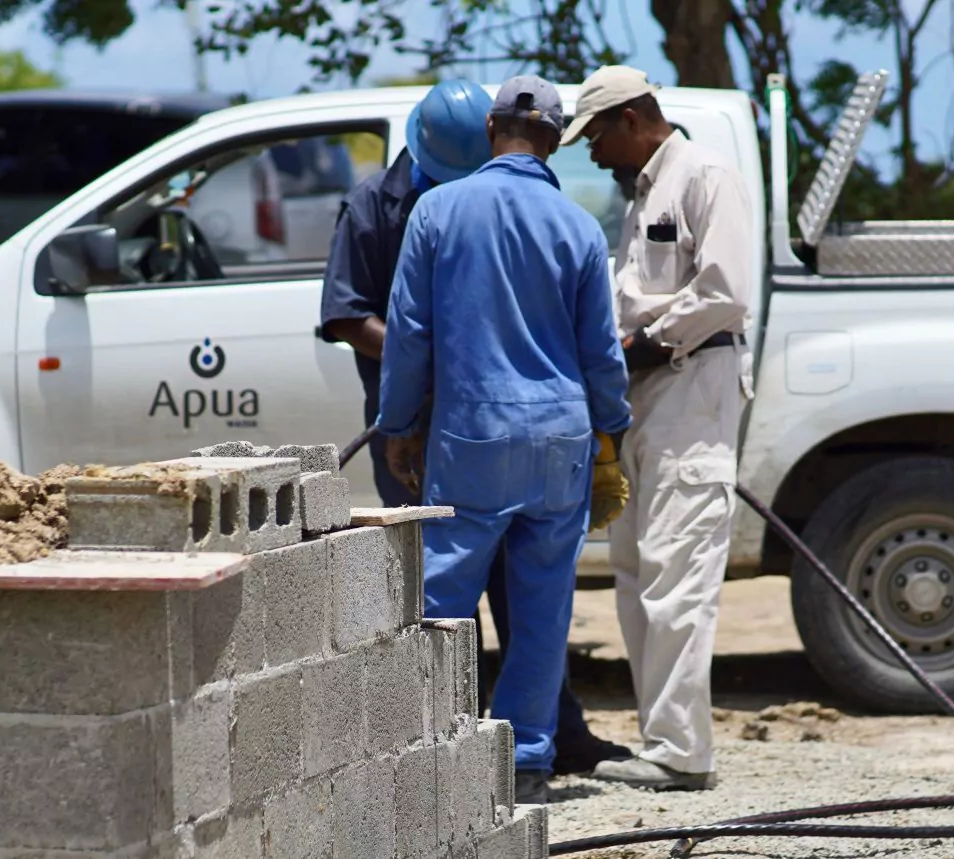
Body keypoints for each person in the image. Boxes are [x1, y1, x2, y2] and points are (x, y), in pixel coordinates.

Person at [319, 79, 633, 779]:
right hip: (561, 442)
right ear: (556, 140)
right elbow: (601, 354)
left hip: (474, 439)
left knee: (441, 600)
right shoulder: (579, 225)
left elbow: (408, 335)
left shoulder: (437, 211)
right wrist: (612, 431)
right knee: (544, 611)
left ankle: (432, 754)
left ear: (492, 130)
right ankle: (526, 763)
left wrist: (396, 425)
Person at [562, 65, 757, 792]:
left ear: (635, 118)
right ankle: (662, 739)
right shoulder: (642, 194)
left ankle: (681, 750)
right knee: (638, 568)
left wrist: (647, 342)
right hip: (641, 396)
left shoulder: (707, 175)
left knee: (678, 572)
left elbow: (725, 289)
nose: (591, 151)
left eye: (597, 135)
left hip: (689, 391)